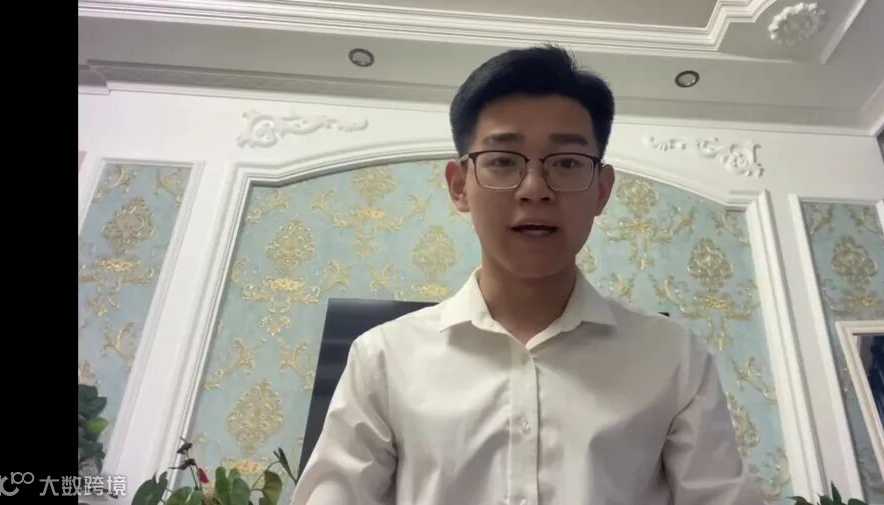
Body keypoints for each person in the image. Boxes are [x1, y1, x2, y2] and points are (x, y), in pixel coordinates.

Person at [291, 44, 764, 505]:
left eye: (567, 163)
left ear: (602, 191)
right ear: (459, 186)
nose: (535, 189)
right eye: (502, 161)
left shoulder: (674, 357)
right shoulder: (383, 358)